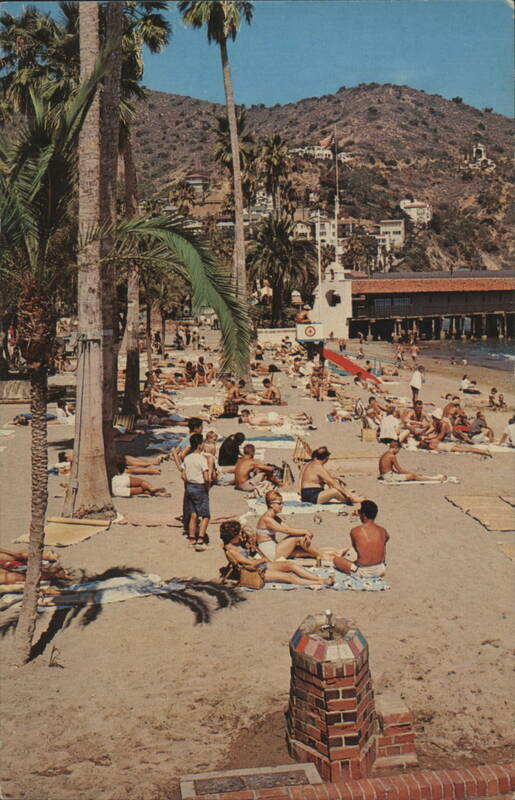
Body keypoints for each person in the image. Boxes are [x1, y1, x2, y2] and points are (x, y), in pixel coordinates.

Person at [220, 520, 334, 588]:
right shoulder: (232, 551)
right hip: (254, 571)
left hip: (260, 566)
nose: (240, 535)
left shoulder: (236, 544)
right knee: (288, 577)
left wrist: (252, 547)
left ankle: (315, 578)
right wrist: (264, 560)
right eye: (238, 534)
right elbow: (250, 563)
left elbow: (251, 554)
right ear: (232, 536)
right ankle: (320, 582)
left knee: (290, 565)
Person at [256, 490, 326, 560]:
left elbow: (288, 528)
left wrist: (305, 533)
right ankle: (322, 556)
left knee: (305, 550)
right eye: (279, 503)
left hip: (273, 548)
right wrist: (306, 531)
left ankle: (321, 554)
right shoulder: (267, 519)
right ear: (271, 504)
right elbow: (287, 531)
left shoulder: (274, 517)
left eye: (282, 503)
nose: (282, 506)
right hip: (269, 553)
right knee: (298, 538)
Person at [333, 500, 389, 578]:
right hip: (381, 569)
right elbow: (385, 543)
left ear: (363, 515)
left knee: (337, 560)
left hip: (363, 571)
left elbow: (357, 549)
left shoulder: (355, 531)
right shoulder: (383, 530)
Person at [299, 446, 365, 505]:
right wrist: (347, 494)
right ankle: (355, 499)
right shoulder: (318, 466)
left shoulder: (308, 464)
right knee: (335, 491)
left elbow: (311, 479)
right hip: (312, 496)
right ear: (327, 458)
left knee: (336, 484)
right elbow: (332, 482)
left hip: (305, 494)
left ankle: (351, 494)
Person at [181, 433, 211, 550]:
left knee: (193, 514)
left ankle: (192, 538)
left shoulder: (187, 458)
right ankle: (201, 538)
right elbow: (207, 477)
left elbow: (183, 475)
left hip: (189, 487)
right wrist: (207, 485)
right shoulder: (202, 459)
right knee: (205, 515)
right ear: (199, 445)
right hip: (200, 487)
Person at [421, 409, 490, 455]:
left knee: (465, 449)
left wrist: (428, 438)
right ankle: (483, 451)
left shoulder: (445, 424)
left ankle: (483, 451)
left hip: (448, 441)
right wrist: (426, 436)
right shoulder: (440, 423)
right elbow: (434, 429)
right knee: (465, 448)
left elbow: (440, 437)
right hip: (448, 441)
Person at [378, 441, 445, 482]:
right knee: (413, 476)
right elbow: (399, 470)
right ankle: (435, 479)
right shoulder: (392, 456)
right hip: (388, 477)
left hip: (384, 475)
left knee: (410, 475)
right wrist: (411, 473)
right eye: (398, 450)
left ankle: (430, 478)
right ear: (396, 448)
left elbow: (388, 468)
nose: (398, 452)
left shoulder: (385, 454)